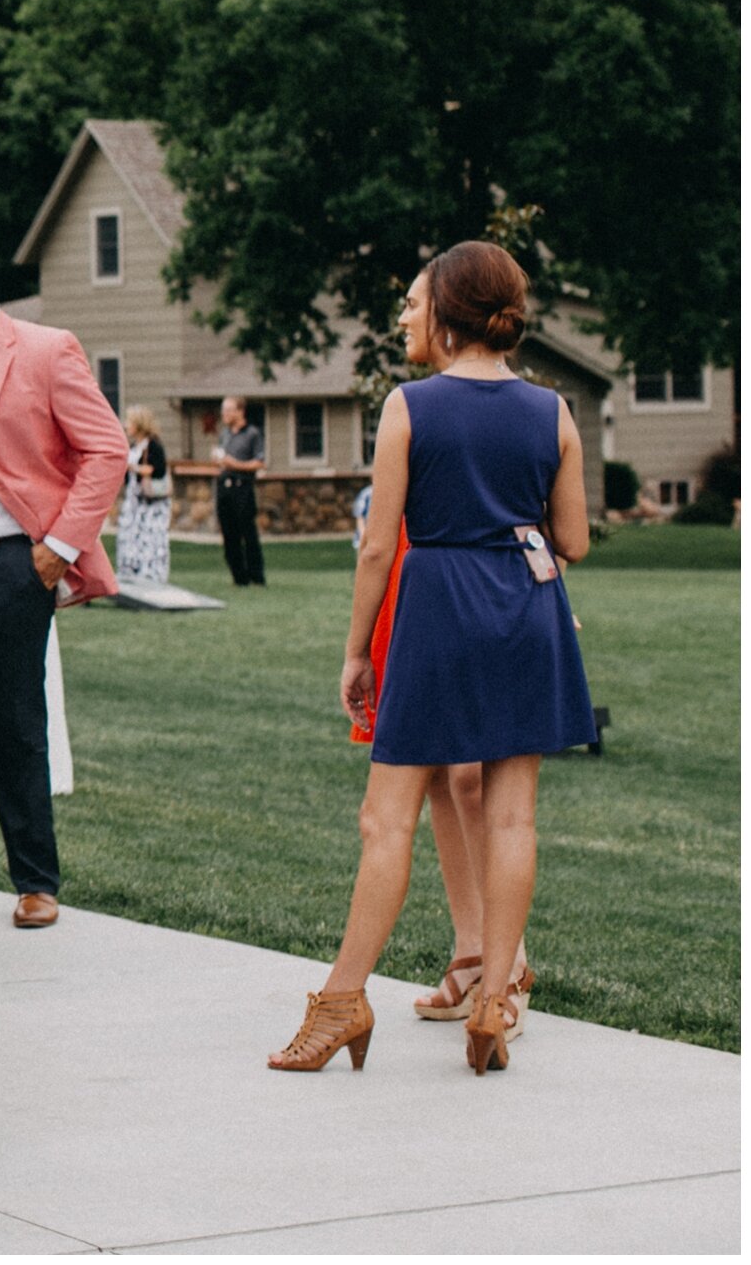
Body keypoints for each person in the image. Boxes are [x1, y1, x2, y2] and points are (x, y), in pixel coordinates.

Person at [269, 242, 592, 1077]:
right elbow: (576, 542)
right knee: (513, 816)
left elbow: (378, 548)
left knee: (385, 818)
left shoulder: (409, 405)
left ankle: (343, 999)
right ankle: (493, 996)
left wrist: (355, 652)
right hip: (526, 611)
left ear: (446, 318)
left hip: (437, 609)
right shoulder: (554, 411)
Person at [0, 232, 128, 930]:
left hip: (16, 562)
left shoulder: (43, 349)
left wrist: (58, 548)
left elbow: (107, 448)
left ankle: (37, 881)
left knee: (16, 723)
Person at [216, 396, 267, 586]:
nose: (225, 415)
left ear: (240, 411)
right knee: (229, 534)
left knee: (248, 533)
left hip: (242, 488)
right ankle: (239, 576)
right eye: (223, 411)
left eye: (228, 410)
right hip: (224, 487)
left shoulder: (252, 434)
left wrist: (235, 464)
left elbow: (260, 462)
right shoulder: (225, 434)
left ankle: (256, 575)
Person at [118, 408, 172, 584]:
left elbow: (158, 470)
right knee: (130, 535)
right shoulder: (134, 447)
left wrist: (134, 468)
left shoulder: (153, 445)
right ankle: (131, 572)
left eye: (130, 422)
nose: (126, 425)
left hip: (151, 502)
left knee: (151, 537)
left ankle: (151, 573)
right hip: (134, 500)